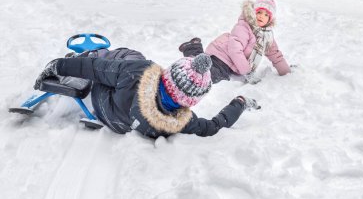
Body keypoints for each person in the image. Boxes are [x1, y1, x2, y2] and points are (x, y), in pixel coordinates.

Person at [33, 47, 260, 138]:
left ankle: (99, 52)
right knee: (121, 72)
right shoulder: (183, 121)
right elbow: (213, 127)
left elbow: (94, 69)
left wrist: (58, 66)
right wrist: (239, 103)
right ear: (192, 99)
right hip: (120, 123)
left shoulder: (139, 72)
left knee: (128, 57)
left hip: (102, 100)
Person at [179, 0, 291, 84]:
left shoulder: (266, 36)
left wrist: (287, 73)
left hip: (230, 62)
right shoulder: (244, 26)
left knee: (207, 70)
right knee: (209, 75)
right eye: (259, 12)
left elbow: (275, 55)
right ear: (253, 12)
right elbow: (235, 50)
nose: (262, 16)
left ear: (270, 20)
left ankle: (194, 47)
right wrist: (247, 72)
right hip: (222, 55)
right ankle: (192, 50)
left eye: (266, 15)